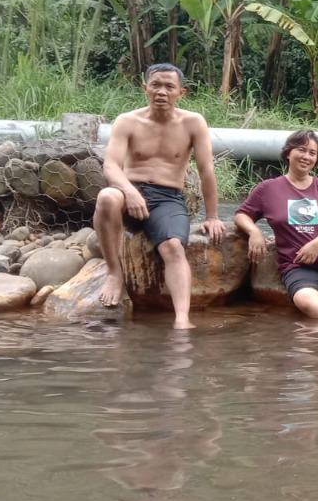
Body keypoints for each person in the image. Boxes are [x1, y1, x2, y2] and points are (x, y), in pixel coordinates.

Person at [94, 63, 224, 329]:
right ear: (145, 88)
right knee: (107, 197)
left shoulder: (193, 123)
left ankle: (182, 320)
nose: (161, 92)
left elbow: (206, 171)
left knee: (173, 247)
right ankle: (114, 273)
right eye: (155, 85)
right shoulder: (127, 121)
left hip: (167, 198)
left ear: (181, 92)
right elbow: (111, 165)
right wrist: (129, 191)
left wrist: (212, 216)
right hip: (129, 193)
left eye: (169, 86)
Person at [234, 130, 318, 331]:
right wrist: (254, 232)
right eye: (301, 150)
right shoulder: (268, 189)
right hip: (298, 262)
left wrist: (316, 244)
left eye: (312, 153)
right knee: (306, 302)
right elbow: (242, 214)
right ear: (288, 152)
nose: (306, 156)